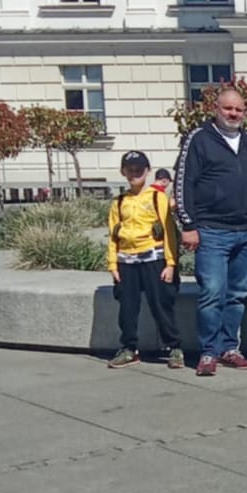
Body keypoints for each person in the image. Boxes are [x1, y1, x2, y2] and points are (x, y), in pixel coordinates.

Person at [175, 85, 247, 377]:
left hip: (245, 231)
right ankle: (209, 351)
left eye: (238, 109)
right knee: (212, 292)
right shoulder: (198, 139)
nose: (233, 114)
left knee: (237, 294)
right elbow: (184, 183)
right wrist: (188, 225)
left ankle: (230, 348)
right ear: (216, 109)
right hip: (211, 231)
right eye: (228, 108)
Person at [106, 150, 182, 370]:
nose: (135, 173)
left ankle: (174, 347)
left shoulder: (157, 197)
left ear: (148, 171)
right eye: (130, 169)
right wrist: (112, 264)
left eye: (139, 169)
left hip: (154, 258)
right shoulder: (119, 201)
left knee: (161, 305)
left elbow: (169, 231)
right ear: (123, 172)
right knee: (127, 309)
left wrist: (170, 264)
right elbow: (113, 235)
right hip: (126, 261)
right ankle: (129, 348)